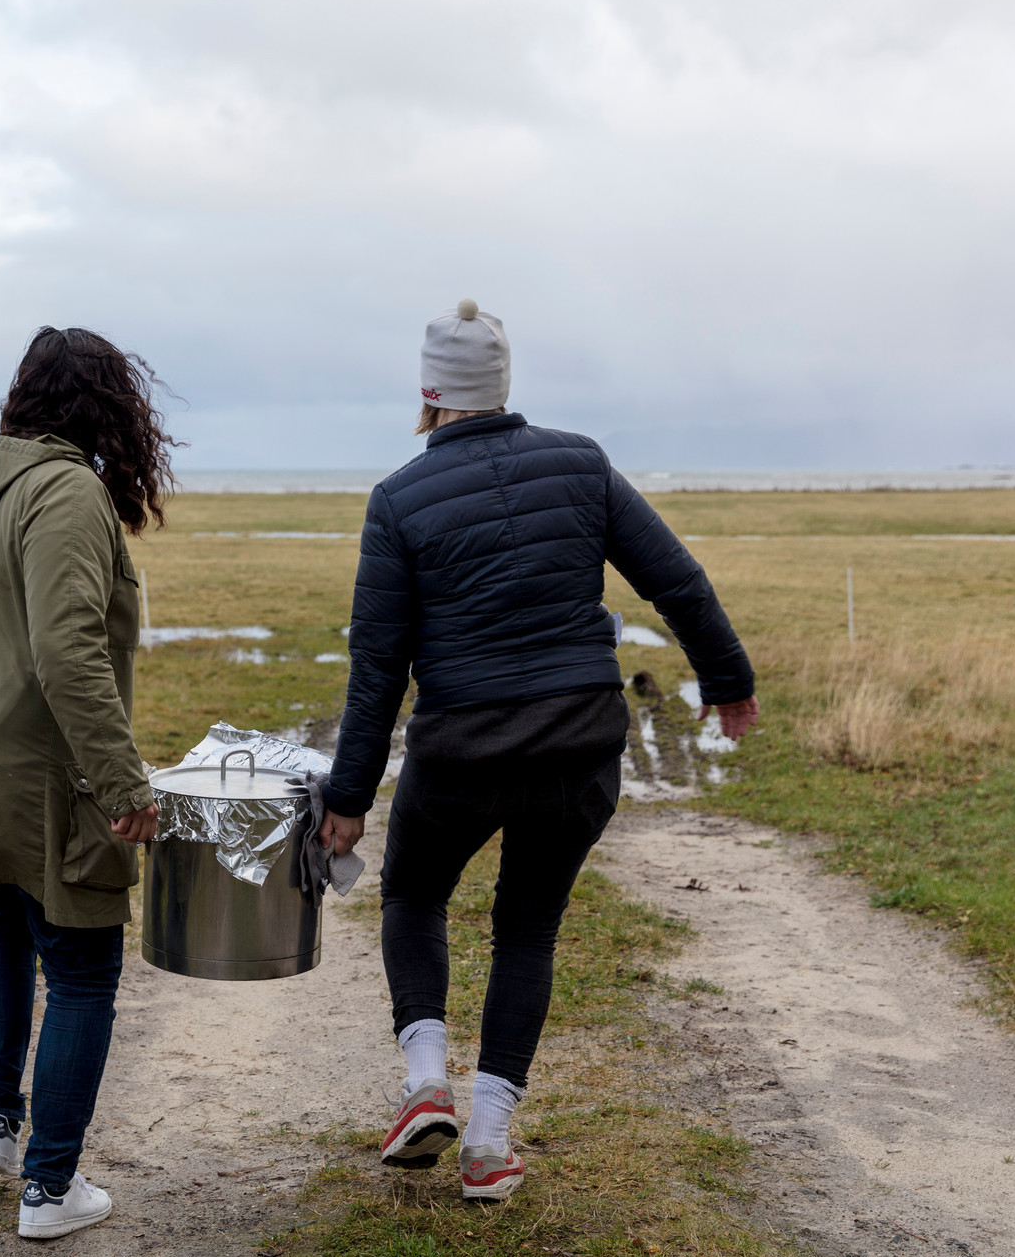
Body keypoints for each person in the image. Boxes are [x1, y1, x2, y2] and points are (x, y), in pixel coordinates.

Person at [315, 299, 759, 1202]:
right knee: (527, 928)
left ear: (431, 393)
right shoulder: (582, 461)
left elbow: (377, 666)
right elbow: (675, 578)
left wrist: (349, 794)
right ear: (504, 386)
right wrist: (726, 678)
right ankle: (486, 1142)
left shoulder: (399, 497)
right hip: (578, 741)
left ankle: (424, 1081)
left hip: (462, 748)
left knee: (413, 893)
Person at [0, 326, 171, 1241]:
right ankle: (51, 1188)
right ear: (109, 407)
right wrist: (122, 779)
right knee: (86, 965)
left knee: (1, 924)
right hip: (26, 765)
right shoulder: (66, 489)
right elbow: (67, 653)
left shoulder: (2, 483)